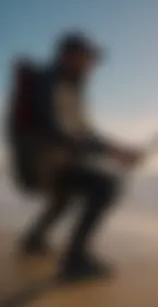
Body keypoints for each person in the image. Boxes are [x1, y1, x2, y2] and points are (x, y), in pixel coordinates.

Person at [16, 31, 144, 282]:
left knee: (64, 197)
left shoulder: (69, 86)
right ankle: (75, 259)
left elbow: (84, 132)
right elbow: (56, 128)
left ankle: (34, 240)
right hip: (42, 165)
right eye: (86, 58)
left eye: (93, 60)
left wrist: (118, 150)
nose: (92, 65)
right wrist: (115, 151)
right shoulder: (53, 82)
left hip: (46, 163)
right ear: (67, 56)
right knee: (106, 185)